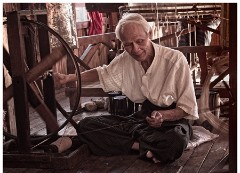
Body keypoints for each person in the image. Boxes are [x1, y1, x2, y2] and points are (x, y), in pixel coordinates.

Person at [54, 13, 199, 164]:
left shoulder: (175, 60)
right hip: (143, 119)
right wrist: (70, 78)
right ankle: (145, 148)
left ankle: (139, 146)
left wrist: (163, 116)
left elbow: (187, 109)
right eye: (128, 45)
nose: (135, 49)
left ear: (149, 34)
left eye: (140, 41)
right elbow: (102, 73)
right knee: (86, 126)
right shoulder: (126, 59)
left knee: (175, 141)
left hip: (173, 121)